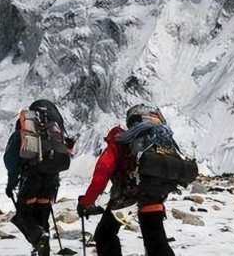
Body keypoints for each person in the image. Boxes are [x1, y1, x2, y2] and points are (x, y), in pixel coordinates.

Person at [77, 104, 180, 256]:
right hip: (156, 194)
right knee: (156, 242)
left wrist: (86, 202)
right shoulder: (155, 142)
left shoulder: (119, 142)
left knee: (104, 235)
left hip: (127, 197)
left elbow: (101, 175)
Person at [4, 99, 74, 256]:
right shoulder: (54, 133)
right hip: (51, 183)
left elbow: (11, 161)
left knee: (23, 216)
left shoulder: (23, 133)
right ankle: (43, 248)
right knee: (42, 220)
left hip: (31, 180)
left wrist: (11, 184)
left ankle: (38, 238)